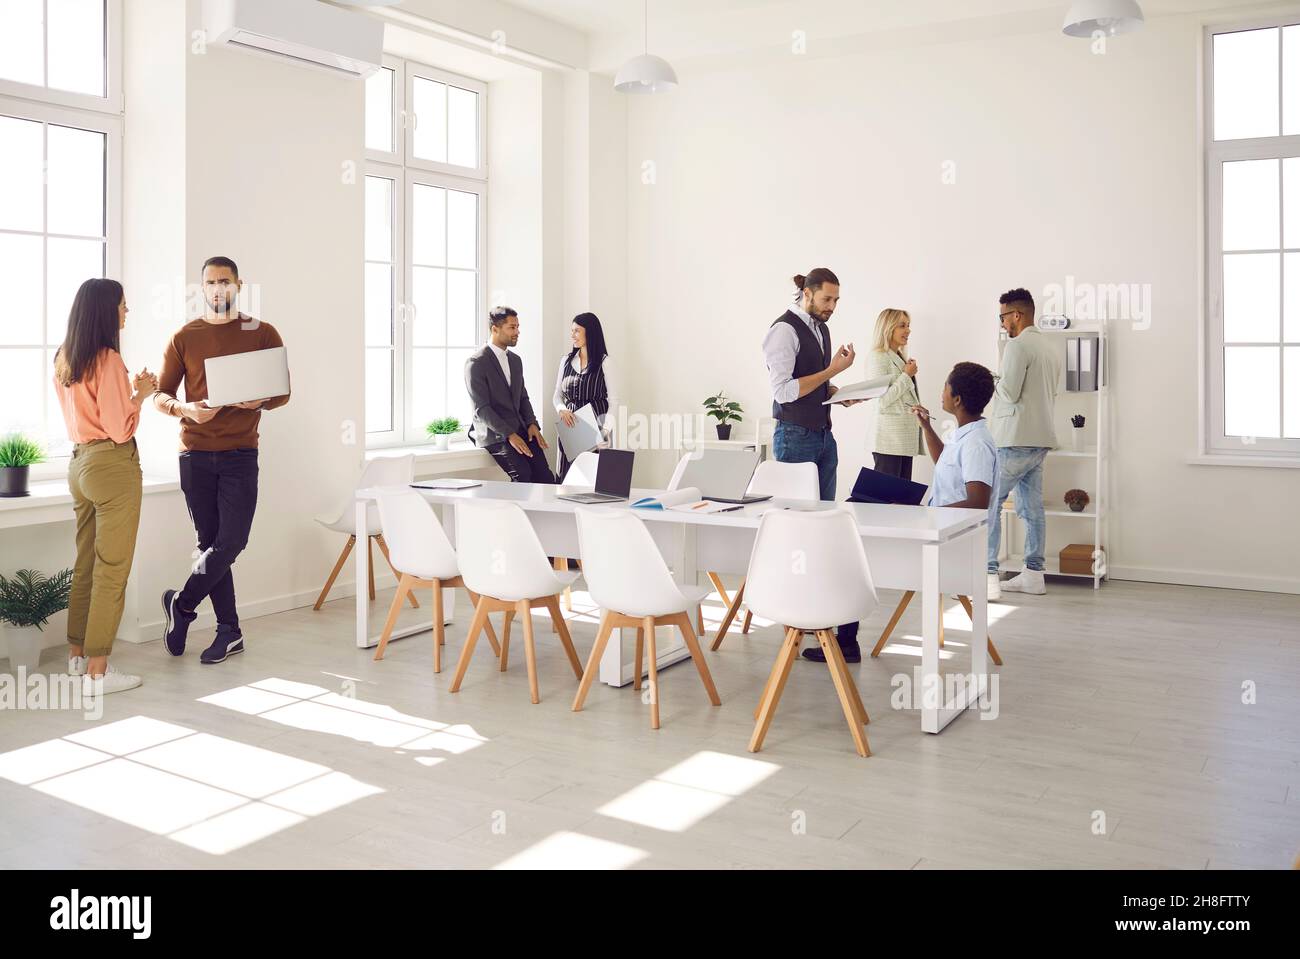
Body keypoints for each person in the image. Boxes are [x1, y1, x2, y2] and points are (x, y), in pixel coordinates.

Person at [154, 256, 291, 663]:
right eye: (210, 283)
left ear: (238, 285)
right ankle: (229, 631)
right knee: (210, 544)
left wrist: (261, 399)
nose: (218, 289)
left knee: (231, 542)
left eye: (225, 282)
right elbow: (161, 396)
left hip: (239, 454)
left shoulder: (262, 332)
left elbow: (283, 392)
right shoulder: (185, 336)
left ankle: (182, 603)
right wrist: (186, 410)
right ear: (202, 289)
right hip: (195, 454)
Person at [52, 278, 157, 696]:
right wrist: (141, 395)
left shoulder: (64, 357)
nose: (126, 312)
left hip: (78, 465)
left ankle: (77, 657)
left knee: (86, 564)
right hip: (112, 466)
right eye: (123, 305)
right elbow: (118, 427)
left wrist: (129, 394)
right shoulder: (109, 360)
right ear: (105, 310)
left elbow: (89, 415)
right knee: (112, 569)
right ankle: (98, 671)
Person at [761, 267, 863, 663]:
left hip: (823, 436)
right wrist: (832, 372)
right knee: (796, 534)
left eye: (836, 301)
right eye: (827, 300)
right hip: (795, 436)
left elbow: (813, 381)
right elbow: (785, 392)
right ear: (807, 293)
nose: (832, 307)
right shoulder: (782, 331)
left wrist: (838, 392)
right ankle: (794, 616)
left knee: (822, 531)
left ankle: (819, 620)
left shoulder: (820, 329)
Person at [986, 288, 1060, 600]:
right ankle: (1033, 574)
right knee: (1032, 508)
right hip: (1041, 438)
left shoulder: (1017, 347)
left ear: (1017, 315)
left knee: (988, 505)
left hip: (1013, 438)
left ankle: (987, 577)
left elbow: (1009, 393)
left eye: (1003, 317)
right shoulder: (1049, 347)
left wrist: (992, 378)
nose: (1002, 323)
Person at [465, 306, 556, 484]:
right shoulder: (476, 363)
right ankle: (515, 513)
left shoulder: (515, 361)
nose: (517, 332)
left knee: (546, 478)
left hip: (521, 429)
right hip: (494, 434)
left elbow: (523, 397)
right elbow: (481, 409)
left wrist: (531, 424)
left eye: (517, 327)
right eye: (512, 327)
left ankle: (542, 513)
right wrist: (510, 434)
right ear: (495, 329)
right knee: (523, 476)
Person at [910, 362, 997, 510]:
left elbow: (978, 502)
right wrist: (927, 427)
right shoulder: (965, 435)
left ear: (957, 400)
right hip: (944, 525)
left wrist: (927, 512)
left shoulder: (976, 445)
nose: (942, 393)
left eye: (945, 387)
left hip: (959, 530)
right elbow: (945, 463)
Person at [553, 312, 619, 480]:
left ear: (589, 332)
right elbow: (557, 396)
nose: (572, 335)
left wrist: (605, 432)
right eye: (572, 330)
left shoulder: (605, 362)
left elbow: (614, 402)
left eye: (577, 331)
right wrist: (562, 410)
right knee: (567, 477)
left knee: (596, 480)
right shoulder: (565, 361)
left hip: (597, 429)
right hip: (571, 429)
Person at [866, 308, 922, 479]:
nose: (908, 330)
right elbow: (882, 400)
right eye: (902, 326)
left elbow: (902, 396)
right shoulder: (878, 357)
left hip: (903, 439)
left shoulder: (898, 356)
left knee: (901, 500)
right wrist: (906, 375)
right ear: (888, 328)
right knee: (885, 500)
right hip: (889, 440)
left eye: (908, 325)